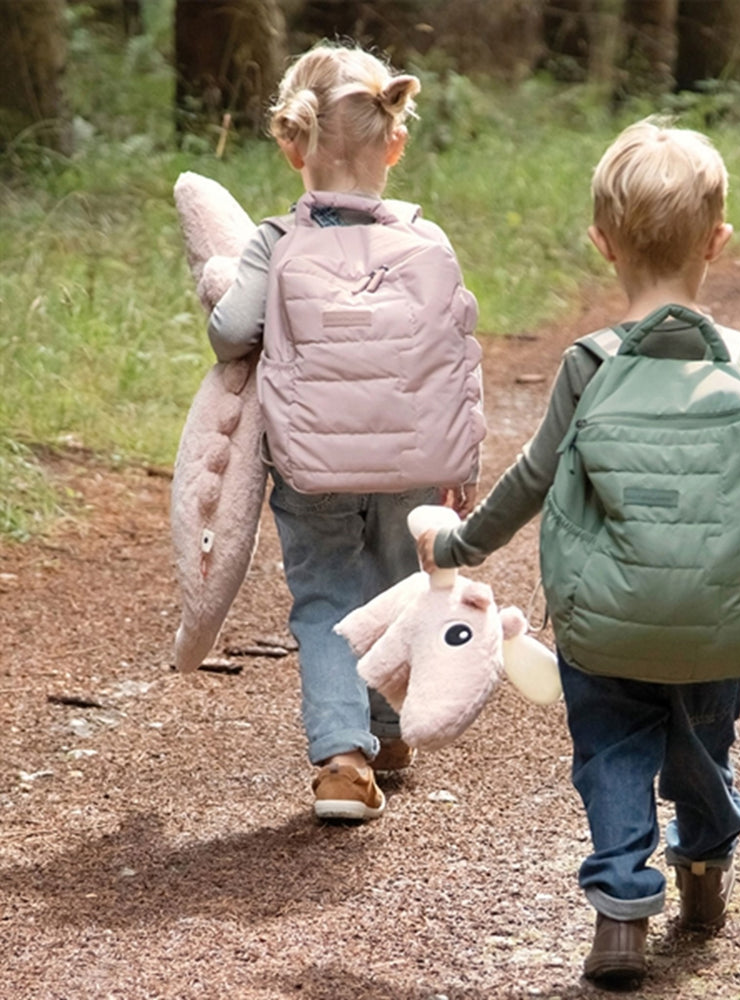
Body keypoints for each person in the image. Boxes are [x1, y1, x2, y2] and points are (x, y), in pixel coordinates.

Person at [416, 118, 740, 987]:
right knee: (701, 744)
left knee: (614, 750)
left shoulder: (591, 363)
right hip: (722, 619)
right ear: (718, 241)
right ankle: (704, 865)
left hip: (606, 621)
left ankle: (622, 912)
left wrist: (461, 543)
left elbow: (534, 477)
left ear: (602, 244)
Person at [207, 43, 480, 823]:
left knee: (327, 594)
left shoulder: (275, 242)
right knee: (399, 584)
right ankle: (388, 731)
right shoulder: (427, 240)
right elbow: (456, 357)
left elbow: (232, 333)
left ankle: (342, 756)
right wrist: (461, 461)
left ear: (292, 144)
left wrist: (223, 286)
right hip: (412, 462)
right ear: (396, 143)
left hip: (311, 463)